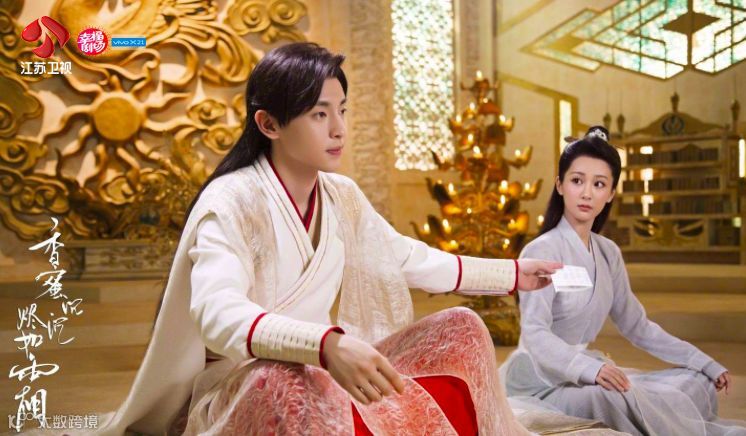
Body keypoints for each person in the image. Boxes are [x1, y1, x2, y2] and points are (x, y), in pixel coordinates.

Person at [93, 42, 563, 435]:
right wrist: (325, 345)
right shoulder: (231, 201)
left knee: (462, 327)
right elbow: (219, 315)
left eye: (341, 110)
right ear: (269, 124)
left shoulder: (341, 196)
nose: (339, 129)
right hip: (246, 384)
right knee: (281, 380)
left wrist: (513, 274)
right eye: (320, 114)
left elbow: (409, 259)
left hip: (323, 364)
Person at [500, 126, 746, 435]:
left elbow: (637, 326)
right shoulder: (541, 250)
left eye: (599, 184)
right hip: (541, 379)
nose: (587, 193)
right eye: (577, 181)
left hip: (585, 371)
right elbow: (536, 334)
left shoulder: (608, 252)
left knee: (695, 381)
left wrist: (703, 362)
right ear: (560, 185)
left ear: (611, 193)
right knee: (616, 397)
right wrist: (591, 369)